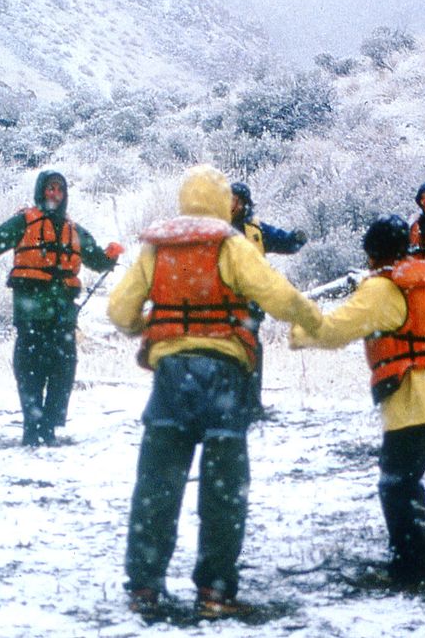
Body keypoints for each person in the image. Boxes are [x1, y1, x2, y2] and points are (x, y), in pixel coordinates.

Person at [107, 165, 324, 619]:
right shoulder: (232, 244)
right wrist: (311, 318)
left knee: (157, 485)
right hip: (225, 375)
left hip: (171, 378)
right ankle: (215, 591)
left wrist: (145, 328)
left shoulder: (156, 248)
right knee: (224, 493)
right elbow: (277, 294)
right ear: (224, 202)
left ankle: (144, 587)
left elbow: (120, 309)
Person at [290, 214, 425, 588]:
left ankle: (411, 567)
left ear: (372, 254)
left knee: (395, 482)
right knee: (409, 479)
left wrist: (298, 332)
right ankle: (423, 556)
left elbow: (331, 331)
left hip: (408, 395)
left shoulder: (379, 290)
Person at [0, 170, 122, 447]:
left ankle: (50, 426)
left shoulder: (73, 229)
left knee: (63, 371)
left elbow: (98, 260)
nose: (54, 194)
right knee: (30, 371)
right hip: (31, 314)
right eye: (49, 189)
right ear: (41, 191)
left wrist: (110, 256)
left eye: (59, 190)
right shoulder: (23, 221)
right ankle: (32, 426)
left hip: (63, 315)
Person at [230, 181, 308, 414]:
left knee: (251, 348)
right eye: (228, 198)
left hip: (251, 302)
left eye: (235, 200)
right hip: (220, 301)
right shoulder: (214, 228)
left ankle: (252, 404)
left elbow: (283, 241)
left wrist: (296, 239)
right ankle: (225, 402)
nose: (230, 204)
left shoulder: (257, 230)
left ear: (244, 204)